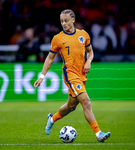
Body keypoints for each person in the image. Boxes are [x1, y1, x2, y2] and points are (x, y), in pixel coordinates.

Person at [34, 9, 111, 142]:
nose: (63, 23)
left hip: (82, 74)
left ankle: (52, 119)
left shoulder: (83, 35)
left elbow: (90, 52)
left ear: (73, 20)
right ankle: (99, 134)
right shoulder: (58, 39)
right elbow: (50, 58)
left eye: (66, 21)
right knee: (86, 102)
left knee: (71, 106)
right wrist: (42, 76)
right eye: (61, 21)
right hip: (70, 75)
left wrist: (88, 61)